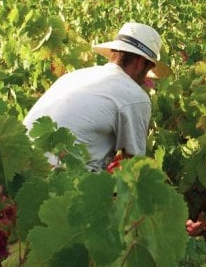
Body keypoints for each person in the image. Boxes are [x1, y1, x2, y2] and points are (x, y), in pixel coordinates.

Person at [22, 22, 171, 172]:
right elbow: (133, 167)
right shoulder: (134, 95)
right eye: (148, 70)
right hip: (59, 179)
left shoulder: (73, 76)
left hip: (22, 169)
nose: (145, 80)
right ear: (140, 62)